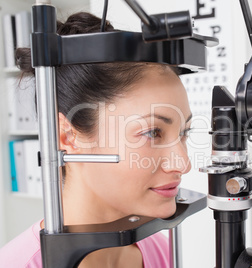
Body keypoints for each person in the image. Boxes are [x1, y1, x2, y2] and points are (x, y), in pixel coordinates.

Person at [0, 12, 192, 268]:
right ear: (66, 136)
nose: (183, 163)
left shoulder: (160, 250)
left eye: (184, 133)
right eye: (152, 133)